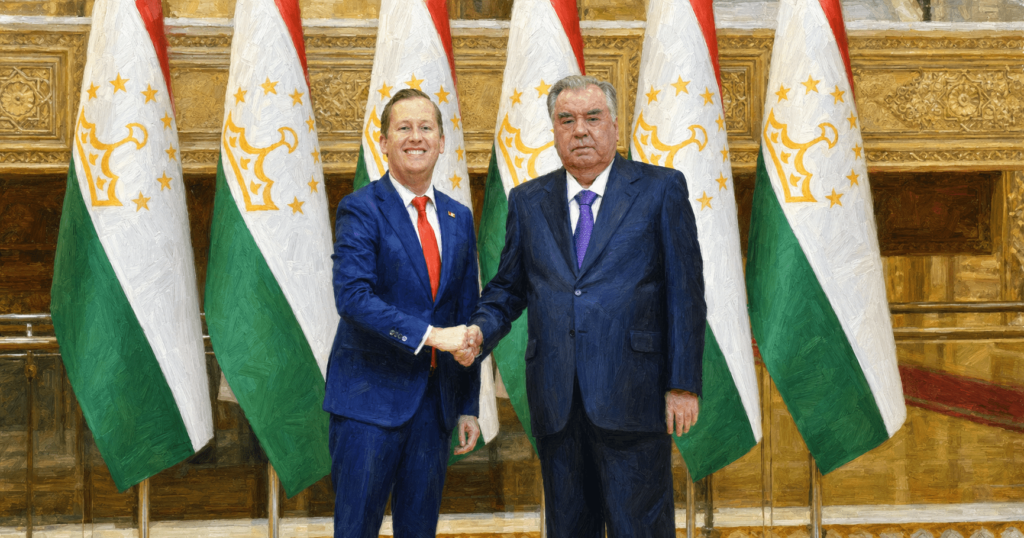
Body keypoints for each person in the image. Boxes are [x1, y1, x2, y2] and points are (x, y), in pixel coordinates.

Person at [463, 75, 706, 537]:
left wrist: (683, 384)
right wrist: (479, 331)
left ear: (614, 125)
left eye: (593, 118)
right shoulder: (528, 201)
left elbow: (686, 293)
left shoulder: (660, 189)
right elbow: (508, 289)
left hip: (634, 397)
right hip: (558, 402)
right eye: (567, 120)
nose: (580, 130)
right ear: (554, 130)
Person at [323, 88, 481, 538]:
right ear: (384, 142)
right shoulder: (360, 208)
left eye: (426, 127)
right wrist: (430, 335)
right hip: (368, 404)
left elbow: (465, 314)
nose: (416, 137)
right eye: (404, 128)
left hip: (434, 408)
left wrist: (467, 405)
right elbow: (353, 298)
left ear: (442, 142)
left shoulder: (459, 217)